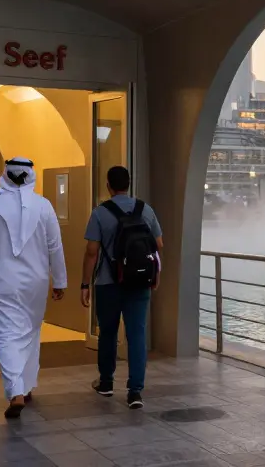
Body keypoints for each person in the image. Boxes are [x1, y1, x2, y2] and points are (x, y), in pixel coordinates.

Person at [0, 158, 68, 418]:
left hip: (2, 282)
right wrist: (59, 281)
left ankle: (15, 391)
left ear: (6, 175)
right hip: (35, 283)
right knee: (30, 332)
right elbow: (55, 246)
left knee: (6, 336)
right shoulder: (44, 207)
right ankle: (26, 385)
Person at [81, 166, 163, 409]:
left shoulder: (99, 213)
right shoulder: (145, 210)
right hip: (139, 283)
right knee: (137, 335)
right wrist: (156, 275)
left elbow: (91, 252)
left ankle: (106, 383)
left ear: (108, 185)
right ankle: (135, 391)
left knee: (108, 332)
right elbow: (159, 244)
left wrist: (85, 284)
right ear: (129, 184)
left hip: (108, 283)